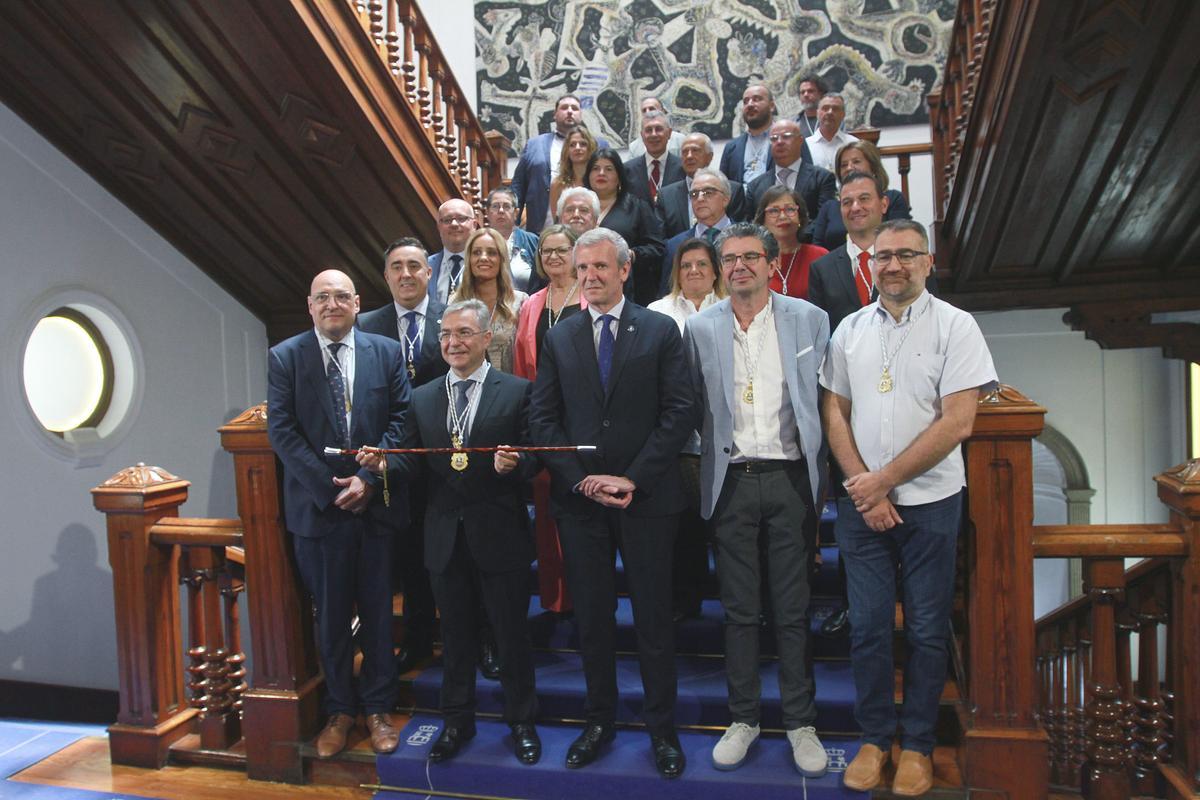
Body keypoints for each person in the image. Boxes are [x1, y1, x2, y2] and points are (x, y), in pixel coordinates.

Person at [820, 219, 997, 796]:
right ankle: (875, 738)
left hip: (932, 504)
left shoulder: (957, 326)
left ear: (927, 262)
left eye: (906, 255)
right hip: (861, 509)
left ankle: (917, 745)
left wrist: (884, 482)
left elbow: (959, 421)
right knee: (868, 629)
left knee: (924, 630)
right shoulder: (848, 329)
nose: (893, 265)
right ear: (869, 265)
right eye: (883, 256)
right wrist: (861, 486)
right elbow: (834, 412)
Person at [529, 228, 695, 779]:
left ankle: (661, 729)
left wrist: (630, 479)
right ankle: (597, 721)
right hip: (580, 503)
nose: (590, 277)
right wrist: (581, 480)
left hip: (646, 499)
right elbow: (543, 419)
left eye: (601, 267)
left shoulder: (661, 329)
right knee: (593, 621)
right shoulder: (560, 336)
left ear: (625, 270)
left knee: (652, 619)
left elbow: (679, 413)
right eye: (582, 269)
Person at [360, 299, 541, 765]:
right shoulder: (422, 397)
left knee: (510, 637)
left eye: (463, 334)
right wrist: (383, 462)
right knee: (455, 641)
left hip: (500, 533)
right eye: (445, 335)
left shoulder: (518, 391)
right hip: (443, 537)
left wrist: (516, 463)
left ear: (485, 339)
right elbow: (407, 459)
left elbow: (535, 455)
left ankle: (522, 722)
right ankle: (457, 722)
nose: (452, 343)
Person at [682, 222, 829, 778]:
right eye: (730, 258)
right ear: (720, 268)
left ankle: (801, 722)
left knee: (792, 611)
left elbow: (825, 400)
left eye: (750, 257)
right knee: (740, 611)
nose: (739, 266)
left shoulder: (809, 319)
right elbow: (688, 405)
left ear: (771, 264)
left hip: (792, 479)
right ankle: (742, 718)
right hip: (732, 481)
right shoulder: (699, 327)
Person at [266, 269, 409, 758]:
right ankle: (340, 711)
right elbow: (282, 432)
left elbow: (402, 420)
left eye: (341, 296)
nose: (332, 304)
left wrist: (368, 481)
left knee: (377, 616)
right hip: (320, 512)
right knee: (329, 619)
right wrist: (332, 490)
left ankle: (377, 709)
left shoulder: (385, 352)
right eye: (323, 297)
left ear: (357, 302)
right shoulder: (285, 357)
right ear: (310, 305)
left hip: (374, 509)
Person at [357, 238, 448, 675]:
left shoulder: (453, 316)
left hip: (445, 458)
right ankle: (415, 641)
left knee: (452, 556)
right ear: (387, 274)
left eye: (415, 265)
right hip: (392, 461)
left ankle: (466, 638)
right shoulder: (367, 325)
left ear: (429, 272)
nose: (407, 274)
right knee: (409, 557)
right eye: (397, 267)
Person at [649, 238, 724, 622]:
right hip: (677, 443)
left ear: (715, 271)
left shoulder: (733, 309)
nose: (693, 271)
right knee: (684, 530)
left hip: (726, 439)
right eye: (686, 265)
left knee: (727, 528)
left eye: (701, 264)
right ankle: (686, 600)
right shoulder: (657, 312)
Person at [513, 224, 584, 616]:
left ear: (576, 253)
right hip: (543, 416)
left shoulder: (591, 295)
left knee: (581, 508)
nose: (553, 258)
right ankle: (555, 597)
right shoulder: (531, 304)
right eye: (546, 252)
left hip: (584, 416)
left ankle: (584, 592)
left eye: (561, 250)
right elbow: (524, 366)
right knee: (545, 507)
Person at [810, 170, 931, 334]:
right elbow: (819, 333)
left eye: (864, 199)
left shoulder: (913, 259)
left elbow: (931, 316)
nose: (855, 207)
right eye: (847, 202)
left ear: (884, 204)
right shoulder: (822, 269)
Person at [511, 93, 608, 234]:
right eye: (564, 107)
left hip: (588, 231)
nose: (569, 111)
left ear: (581, 115)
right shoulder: (534, 144)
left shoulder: (600, 145)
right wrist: (514, 224)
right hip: (540, 230)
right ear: (555, 114)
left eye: (574, 108)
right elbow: (518, 185)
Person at [583, 147, 666, 305]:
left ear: (619, 177)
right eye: (595, 169)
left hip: (628, 289)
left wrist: (632, 254)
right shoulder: (577, 205)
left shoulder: (636, 207)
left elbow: (658, 248)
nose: (601, 173)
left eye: (608, 169)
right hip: (583, 289)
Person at [451, 227, 528, 374]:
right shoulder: (455, 303)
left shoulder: (521, 302)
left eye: (492, 253)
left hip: (512, 391)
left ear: (502, 259)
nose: (484, 257)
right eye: (476, 253)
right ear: (469, 259)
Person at [811, 140, 912, 250]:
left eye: (856, 161)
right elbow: (818, 247)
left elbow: (902, 238)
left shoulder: (893, 198)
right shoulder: (829, 207)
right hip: (836, 264)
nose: (849, 167)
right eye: (844, 165)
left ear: (873, 166)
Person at [746, 119, 837, 239]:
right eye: (774, 138)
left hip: (808, 246)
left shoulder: (822, 178)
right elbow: (753, 225)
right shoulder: (755, 186)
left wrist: (792, 237)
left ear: (800, 140)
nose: (779, 142)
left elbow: (823, 220)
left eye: (786, 137)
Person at [657, 168, 736, 298]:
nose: (699, 199)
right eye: (694, 194)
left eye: (708, 193)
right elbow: (668, 293)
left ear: (726, 199)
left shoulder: (747, 238)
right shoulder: (674, 245)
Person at [657, 132, 750, 238]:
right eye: (684, 152)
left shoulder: (733, 190)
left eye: (695, 150)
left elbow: (740, 231)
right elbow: (660, 238)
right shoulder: (666, 195)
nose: (689, 156)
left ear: (710, 157)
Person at [719, 84, 812, 184]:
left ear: (771, 106)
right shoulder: (732, 147)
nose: (750, 104)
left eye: (757, 99)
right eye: (746, 101)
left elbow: (809, 177)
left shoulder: (792, 138)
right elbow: (724, 188)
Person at [753, 185, 828, 299]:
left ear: (800, 217)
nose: (783, 216)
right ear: (763, 220)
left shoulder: (820, 256)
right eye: (774, 211)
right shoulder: (754, 260)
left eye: (790, 209)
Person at [484, 187, 542, 293]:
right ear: (487, 212)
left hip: (527, 306)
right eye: (495, 206)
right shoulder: (478, 242)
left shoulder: (532, 242)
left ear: (516, 213)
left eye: (506, 206)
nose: (501, 211)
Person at [623, 110, 685, 205]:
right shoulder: (627, 170)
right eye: (648, 130)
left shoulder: (683, 168)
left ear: (669, 133)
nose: (654, 134)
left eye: (659, 129)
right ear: (642, 136)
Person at [548, 125, 598, 231]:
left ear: (591, 148)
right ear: (567, 150)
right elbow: (557, 221)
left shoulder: (598, 181)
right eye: (572, 145)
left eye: (583, 144)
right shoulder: (557, 184)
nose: (577, 148)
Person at [428, 198, 477, 303]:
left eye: (461, 218)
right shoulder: (425, 266)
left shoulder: (489, 264)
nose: (454, 224)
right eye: (447, 220)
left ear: (474, 225)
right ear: (439, 227)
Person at [805, 93, 858, 173]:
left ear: (843, 115)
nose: (830, 112)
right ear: (817, 113)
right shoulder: (805, 146)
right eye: (825, 108)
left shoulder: (854, 143)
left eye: (835, 109)